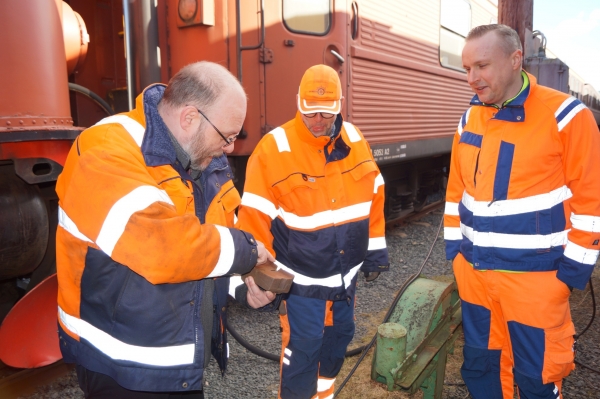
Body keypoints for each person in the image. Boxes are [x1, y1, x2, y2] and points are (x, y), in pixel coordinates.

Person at [55, 61, 276, 399]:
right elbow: (165, 249)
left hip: (180, 365)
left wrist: (239, 285)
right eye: (228, 136)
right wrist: (246, 251)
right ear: (189, 118)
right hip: (124, 369)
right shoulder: (105, 149)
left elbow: (207, 241)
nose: (231, 148)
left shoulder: (202, 156)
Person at [444, 24, 600, 399]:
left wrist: (569, 276)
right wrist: (457, 258)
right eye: (466, 68)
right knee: (481, 368)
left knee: (537, 377)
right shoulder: (469, 119)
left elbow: (591, 202)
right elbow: (455, 194)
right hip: (477, 278)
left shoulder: (567, 116)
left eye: (481, 65)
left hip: (537, 282)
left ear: (515, 60)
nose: (472, 78)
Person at [236, 64, 390, 399]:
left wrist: (376, 251)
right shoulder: (273, 148)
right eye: (309, 112)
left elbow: (373, 197)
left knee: (337, 344)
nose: (318, 120)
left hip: (343, 281)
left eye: (326, 111)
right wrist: (251, 275)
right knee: (302, 356)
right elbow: (253, 219)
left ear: (340, 104)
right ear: (297, 103)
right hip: (301, 286)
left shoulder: (354, 139)